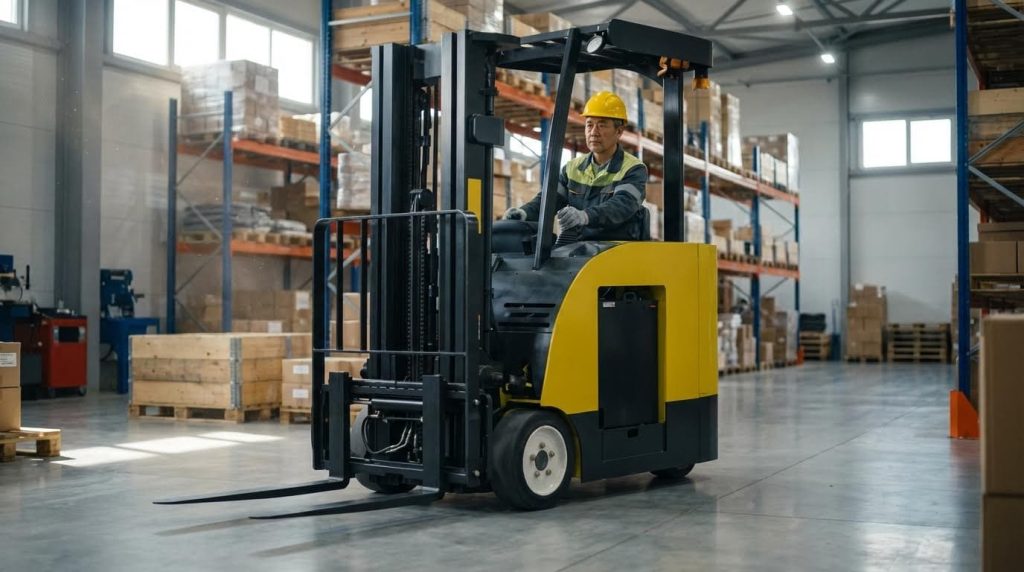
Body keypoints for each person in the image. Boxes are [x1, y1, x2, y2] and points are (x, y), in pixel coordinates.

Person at [503, 91, 648, 241]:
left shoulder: (633, 169)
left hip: (618, 248)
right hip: (581, 247)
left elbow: (621, 207)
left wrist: (585, 216)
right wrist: (524, 213)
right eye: (589, 125)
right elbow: (548, 200)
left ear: (619, 131)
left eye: (602, 125)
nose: (593, 132)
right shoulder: (572, 168)